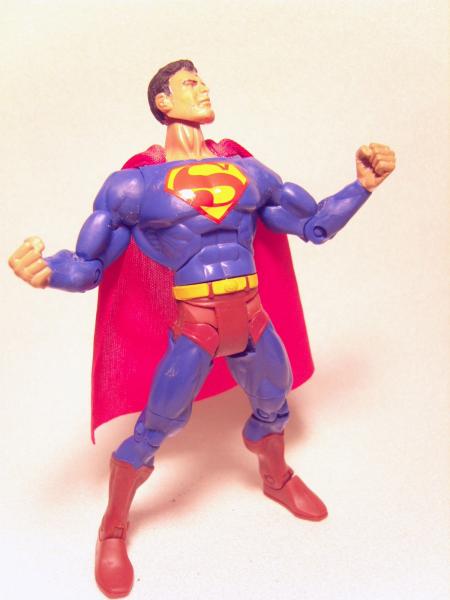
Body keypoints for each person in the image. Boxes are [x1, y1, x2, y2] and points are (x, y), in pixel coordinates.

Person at [8, 59, 396, 598]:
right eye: (190, 83)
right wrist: (47, 271)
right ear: (163, 102)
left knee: (275, 401)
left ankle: (275, 476)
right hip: (196, 326)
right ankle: (113, 526)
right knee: (156, 426)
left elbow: (313, 225)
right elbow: (90, 265)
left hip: (253, 316)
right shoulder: (133, 187)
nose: (204, 87)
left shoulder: (249, 172)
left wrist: (361, 187)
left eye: (204, 80)